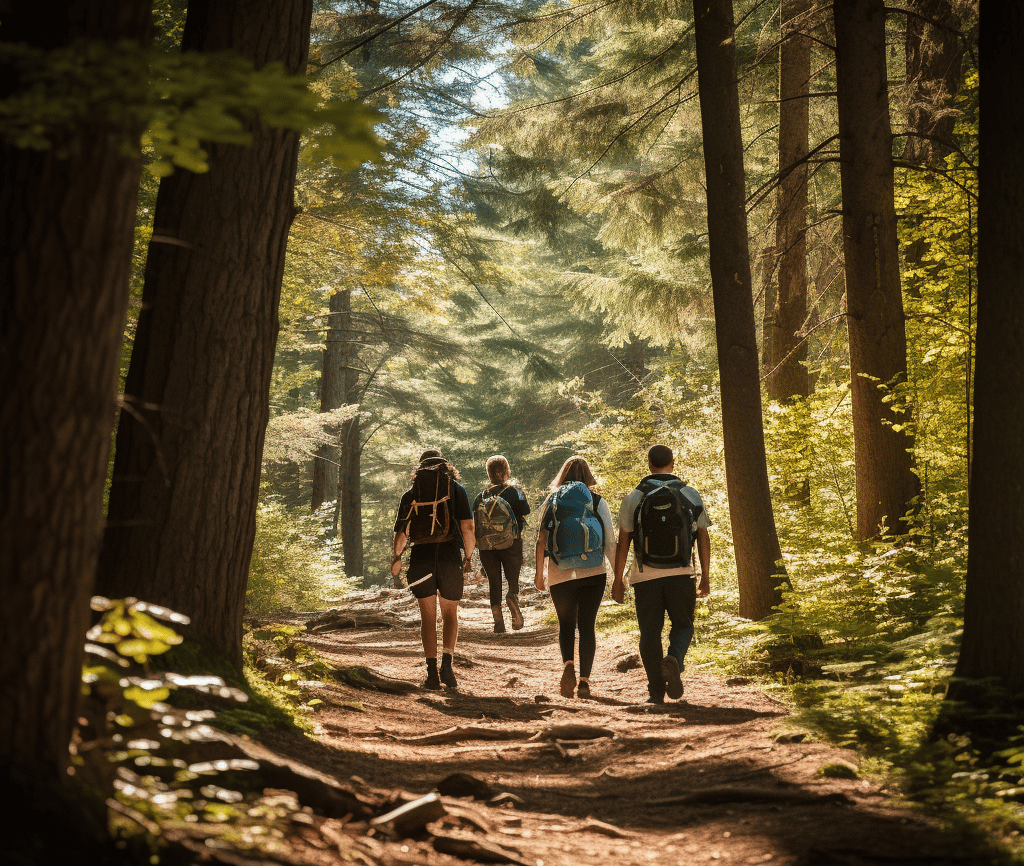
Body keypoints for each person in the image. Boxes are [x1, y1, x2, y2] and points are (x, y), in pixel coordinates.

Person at [612, 444, 711, 704]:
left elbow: (624, 541)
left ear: (649, 464)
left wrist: (617, 579)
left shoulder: (635, 496)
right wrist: (705, 576)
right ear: (673, 463)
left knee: (649, 632)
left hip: (645, 577)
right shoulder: (689, 494)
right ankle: (675, 660)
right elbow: (702, 535)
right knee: (683, 625)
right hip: (682, 573)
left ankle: (656, 691)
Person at [391, 449, 475, 690]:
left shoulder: (411, 493)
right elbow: (467, 527)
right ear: (446, 468)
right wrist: (468, 557)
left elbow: (401, 533)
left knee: (427, 617)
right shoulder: (455, 489)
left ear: (419, 469)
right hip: (449, 555)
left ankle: (430, 674)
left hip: (421, 557)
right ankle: (446, 666)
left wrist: (396, 557)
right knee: (450, 614)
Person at [534, 456, 615, 699]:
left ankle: (568, 665)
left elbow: (541, 540)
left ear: (562, 475)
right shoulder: (598, 502)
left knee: (567, 624)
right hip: (594, 572)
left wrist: (541, 573)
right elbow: (610, 543)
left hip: (560, 573)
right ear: (589, 476)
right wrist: (619, 576)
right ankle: (584, 683)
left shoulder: (553, 500)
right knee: (587, 626)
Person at [473, 455, 531, 633]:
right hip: (510, 544)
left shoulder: (480, 496)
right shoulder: (515, 492)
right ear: (504, 472)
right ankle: (512, 596)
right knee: (512, 579)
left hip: (487, 547)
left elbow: (474, 522)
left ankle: (498, 621)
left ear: (489, 474)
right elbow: (526, 511)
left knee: (494, 582)